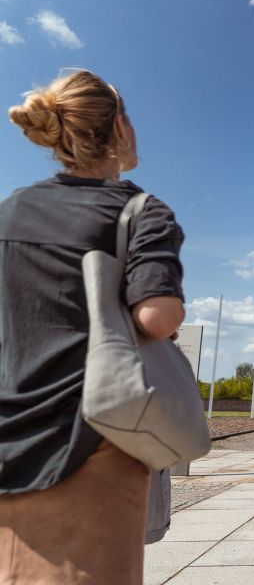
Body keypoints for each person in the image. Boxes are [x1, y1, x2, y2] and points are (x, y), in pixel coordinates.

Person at [0, 70, 185, 584]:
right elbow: (156, 317)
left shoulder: (10, 211)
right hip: (93, 441)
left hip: (9, 444)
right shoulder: (138, 211)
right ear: (120, 127)